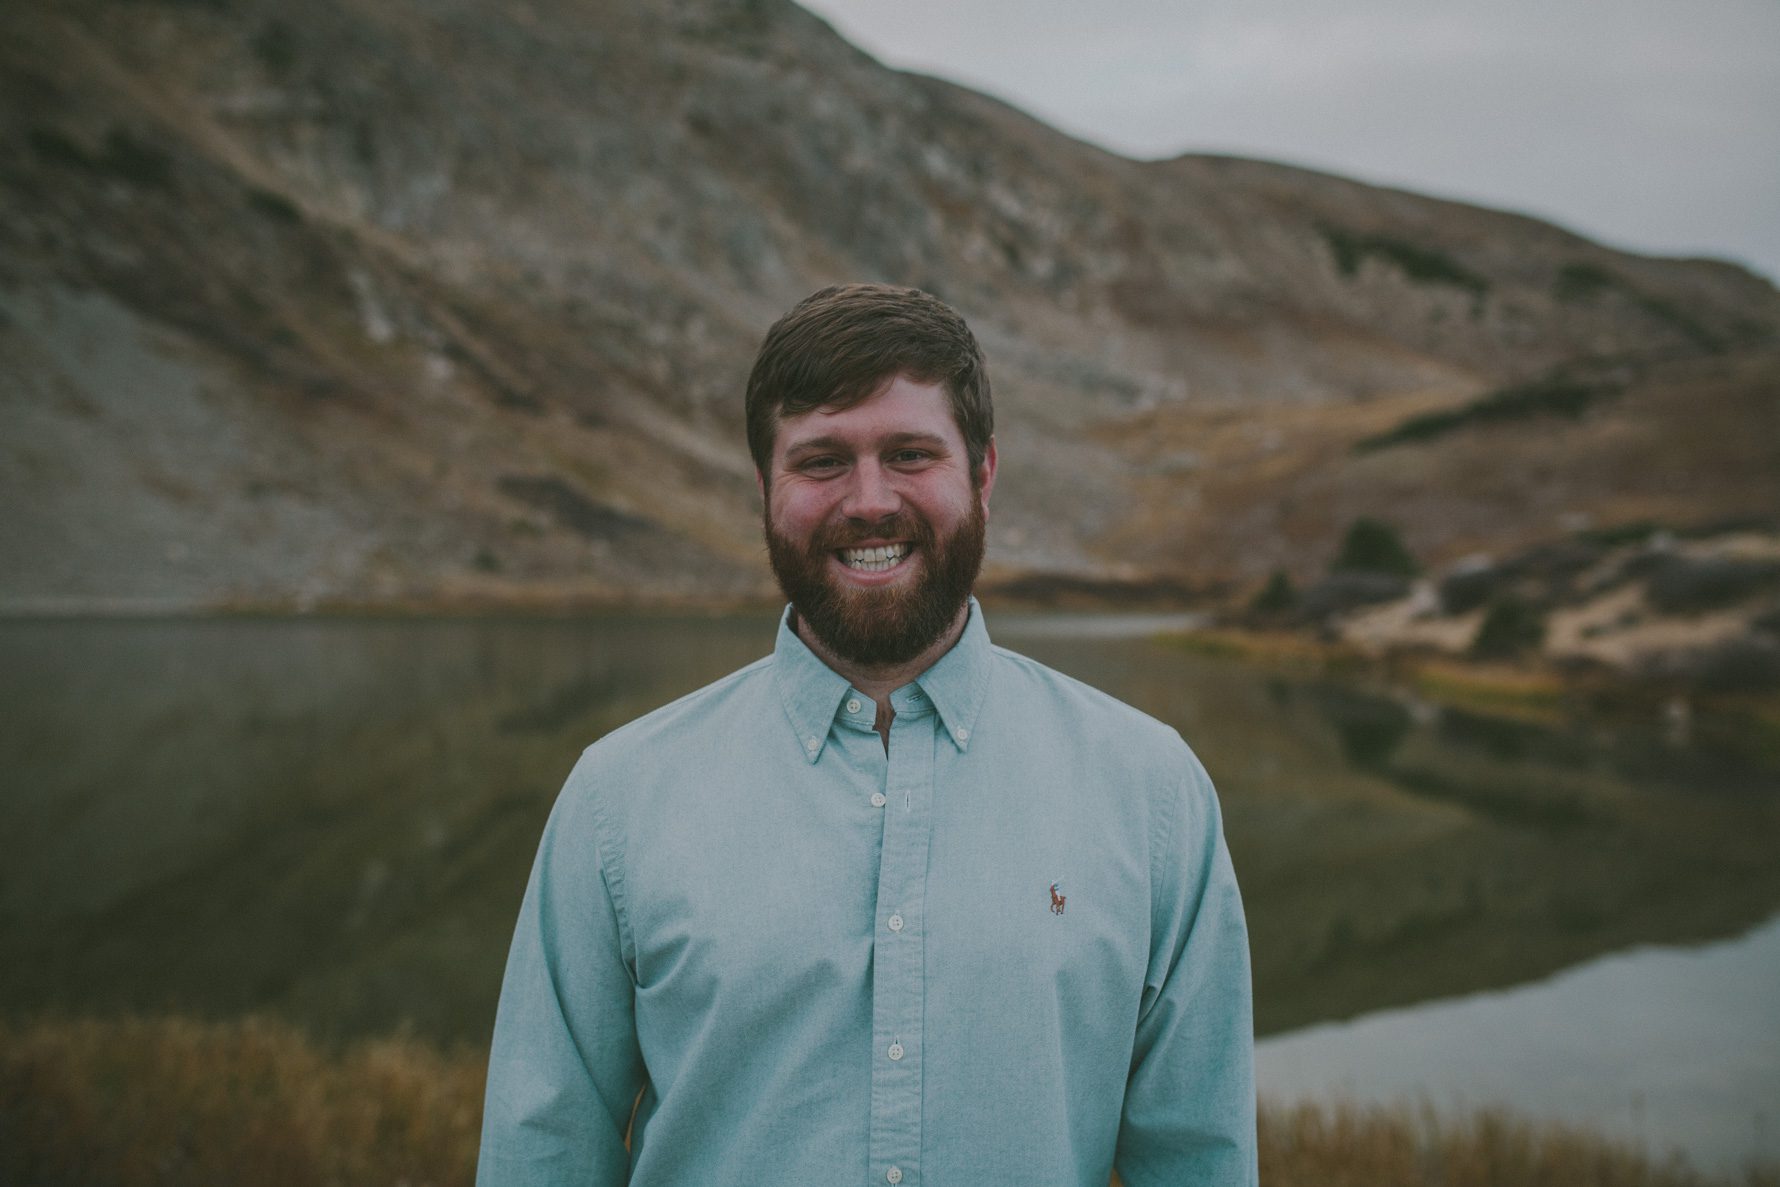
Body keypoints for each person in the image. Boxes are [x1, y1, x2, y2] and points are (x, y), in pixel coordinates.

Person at [477, 284, 1257, 1186]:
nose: (870, 500)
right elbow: (540, 1153)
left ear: (984, 475)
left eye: (911, 452)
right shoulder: (616, 799)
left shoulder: (1152, 789)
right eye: (821, 462)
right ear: (765, 487)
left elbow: (1201, 1159)